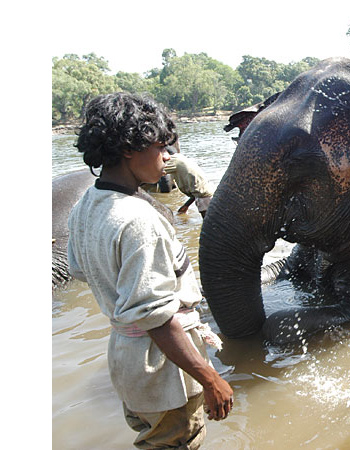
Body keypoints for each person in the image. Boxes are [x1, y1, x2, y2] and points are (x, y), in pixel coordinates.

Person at [67, 92, 234, 449]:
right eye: (161, 147)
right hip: (164, 371)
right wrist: (210, 380)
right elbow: (156, 317)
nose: (168, 157)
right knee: (176, 442)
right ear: (130, 148)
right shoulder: (139, 220)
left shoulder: (86, 206)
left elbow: (81, 270)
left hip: (126, 362)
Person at [164, 140, 216, 218]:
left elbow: (156, 171)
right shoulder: (182, 158)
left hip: (205, 197)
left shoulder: (173, 160)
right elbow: (196, 187)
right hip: (209, 192)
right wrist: (186, 205)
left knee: (208, 224)